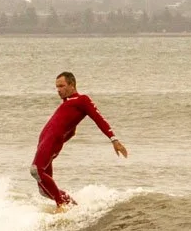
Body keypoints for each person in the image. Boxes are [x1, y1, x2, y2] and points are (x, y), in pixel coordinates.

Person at [34, 71, 127, 207]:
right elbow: (70, 131)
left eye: (61, 86)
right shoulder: (67, 103)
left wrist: (114, 139)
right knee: (43, 190)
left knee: (35, 170)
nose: (58, 90)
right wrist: (63, 136)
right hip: (45, 144)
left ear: (72, 85)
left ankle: (61, 205)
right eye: (57, 87)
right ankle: (72, 206)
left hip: (51, 143)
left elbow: (98, 118)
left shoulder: (82, 100)